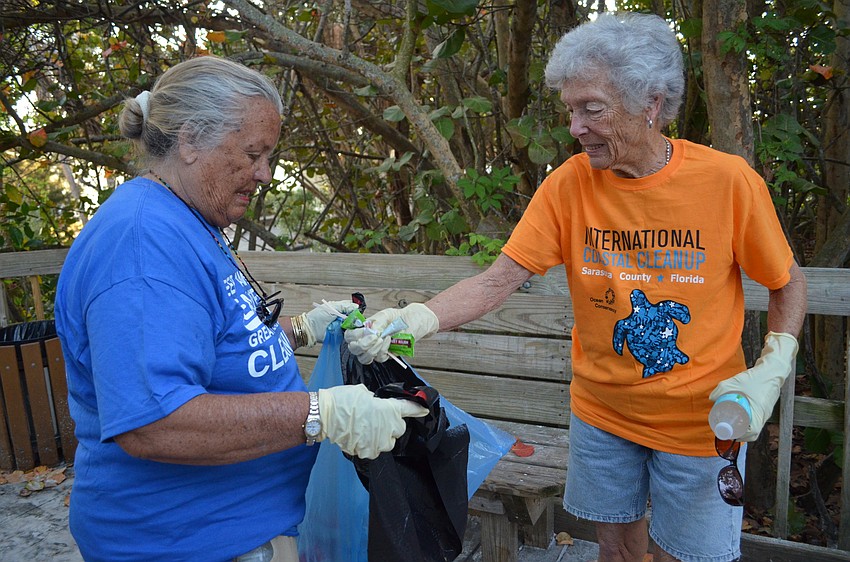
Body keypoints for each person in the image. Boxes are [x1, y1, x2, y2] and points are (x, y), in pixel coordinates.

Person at [344, 12, 808, 562]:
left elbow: (787, 283)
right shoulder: (569, 184)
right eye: (570, 110)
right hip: (603, 415)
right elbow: (499, 280)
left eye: (592, 108)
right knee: (615, 550)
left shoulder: (727, 183)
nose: (575, 127)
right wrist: (415, 318)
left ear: (651, 104)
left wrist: (772, 369)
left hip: (702, 423)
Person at [53, 55, 427, 562]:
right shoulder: (142, 243)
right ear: (189, 141)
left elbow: (208, 344)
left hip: (240, 525)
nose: (265, 173)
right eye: (254, 153)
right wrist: (322, 414)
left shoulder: (186, 217)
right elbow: (154, 422)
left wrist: (304, 330)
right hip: (187, 541)